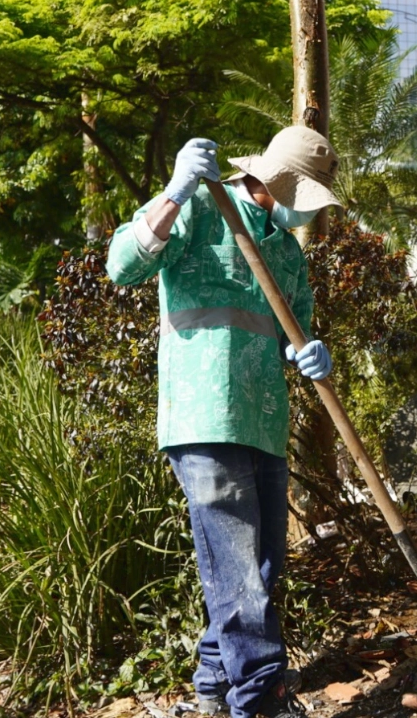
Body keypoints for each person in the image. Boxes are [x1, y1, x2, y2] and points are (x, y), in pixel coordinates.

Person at [106, 127, 340, 718]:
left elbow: (298, 328)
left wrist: (310, 351)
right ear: (270, 184)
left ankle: (213, 682)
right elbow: (122, 265)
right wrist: (175, 191)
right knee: (238, 569)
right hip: (204, 413)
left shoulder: (286, 250)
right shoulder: (202, 210)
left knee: (263, 564)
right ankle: (260, 699)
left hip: (264, 417)